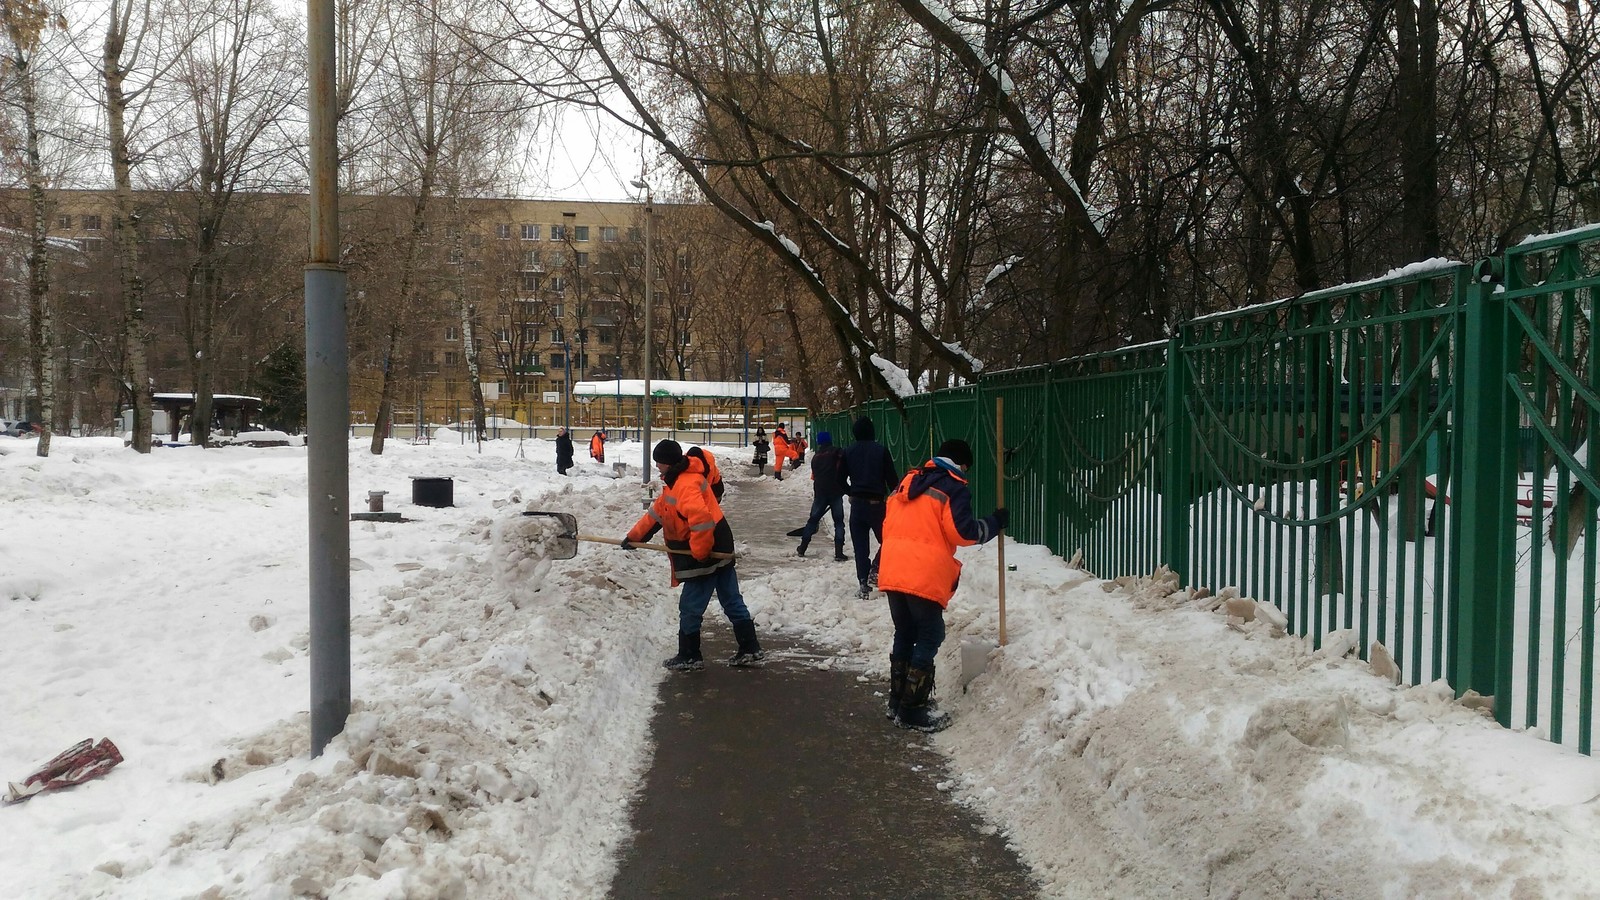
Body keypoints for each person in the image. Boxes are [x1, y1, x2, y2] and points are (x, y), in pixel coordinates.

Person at [878, 438, 1008, 733]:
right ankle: (912, 710)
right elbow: (964, 532)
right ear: (962, 465)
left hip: (893, 567)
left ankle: (896, 701)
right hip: (922, 572)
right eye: (967, 469)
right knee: (930, 633)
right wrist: (994, 523)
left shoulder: (909, 480)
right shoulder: (953, 487)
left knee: (905, 631)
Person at [624, 439, 765, 671]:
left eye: (658, 462)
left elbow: (701, 521)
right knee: (731, 600)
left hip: (705, 549)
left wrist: (700, 554)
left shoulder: (685, 484)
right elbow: (659, 513)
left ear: (668, 462)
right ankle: (750, 647)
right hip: (718, 544)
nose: (657, 466)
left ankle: (690, 654)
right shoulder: (677, 481)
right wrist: (635, 537)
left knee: (690, 606)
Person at [843, 415, 899, 597]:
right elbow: (893, 480)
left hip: (857, 505)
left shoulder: (848, 452)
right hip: (877, 505)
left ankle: (863, 582)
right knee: (890, 540)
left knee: (860, 546)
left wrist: (850, 491)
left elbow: (839, 478)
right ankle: (876, 568)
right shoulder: (881, 451)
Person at [796, 431, 849, 560]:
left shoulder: (816, 457)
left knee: (813, 520)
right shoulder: (837, 452)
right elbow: (844, 467)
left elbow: (814, 476)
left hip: (820, 493)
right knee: (838, 522)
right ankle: (838, 552)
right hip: (835, 492)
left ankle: (802, 547)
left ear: (819, 442)